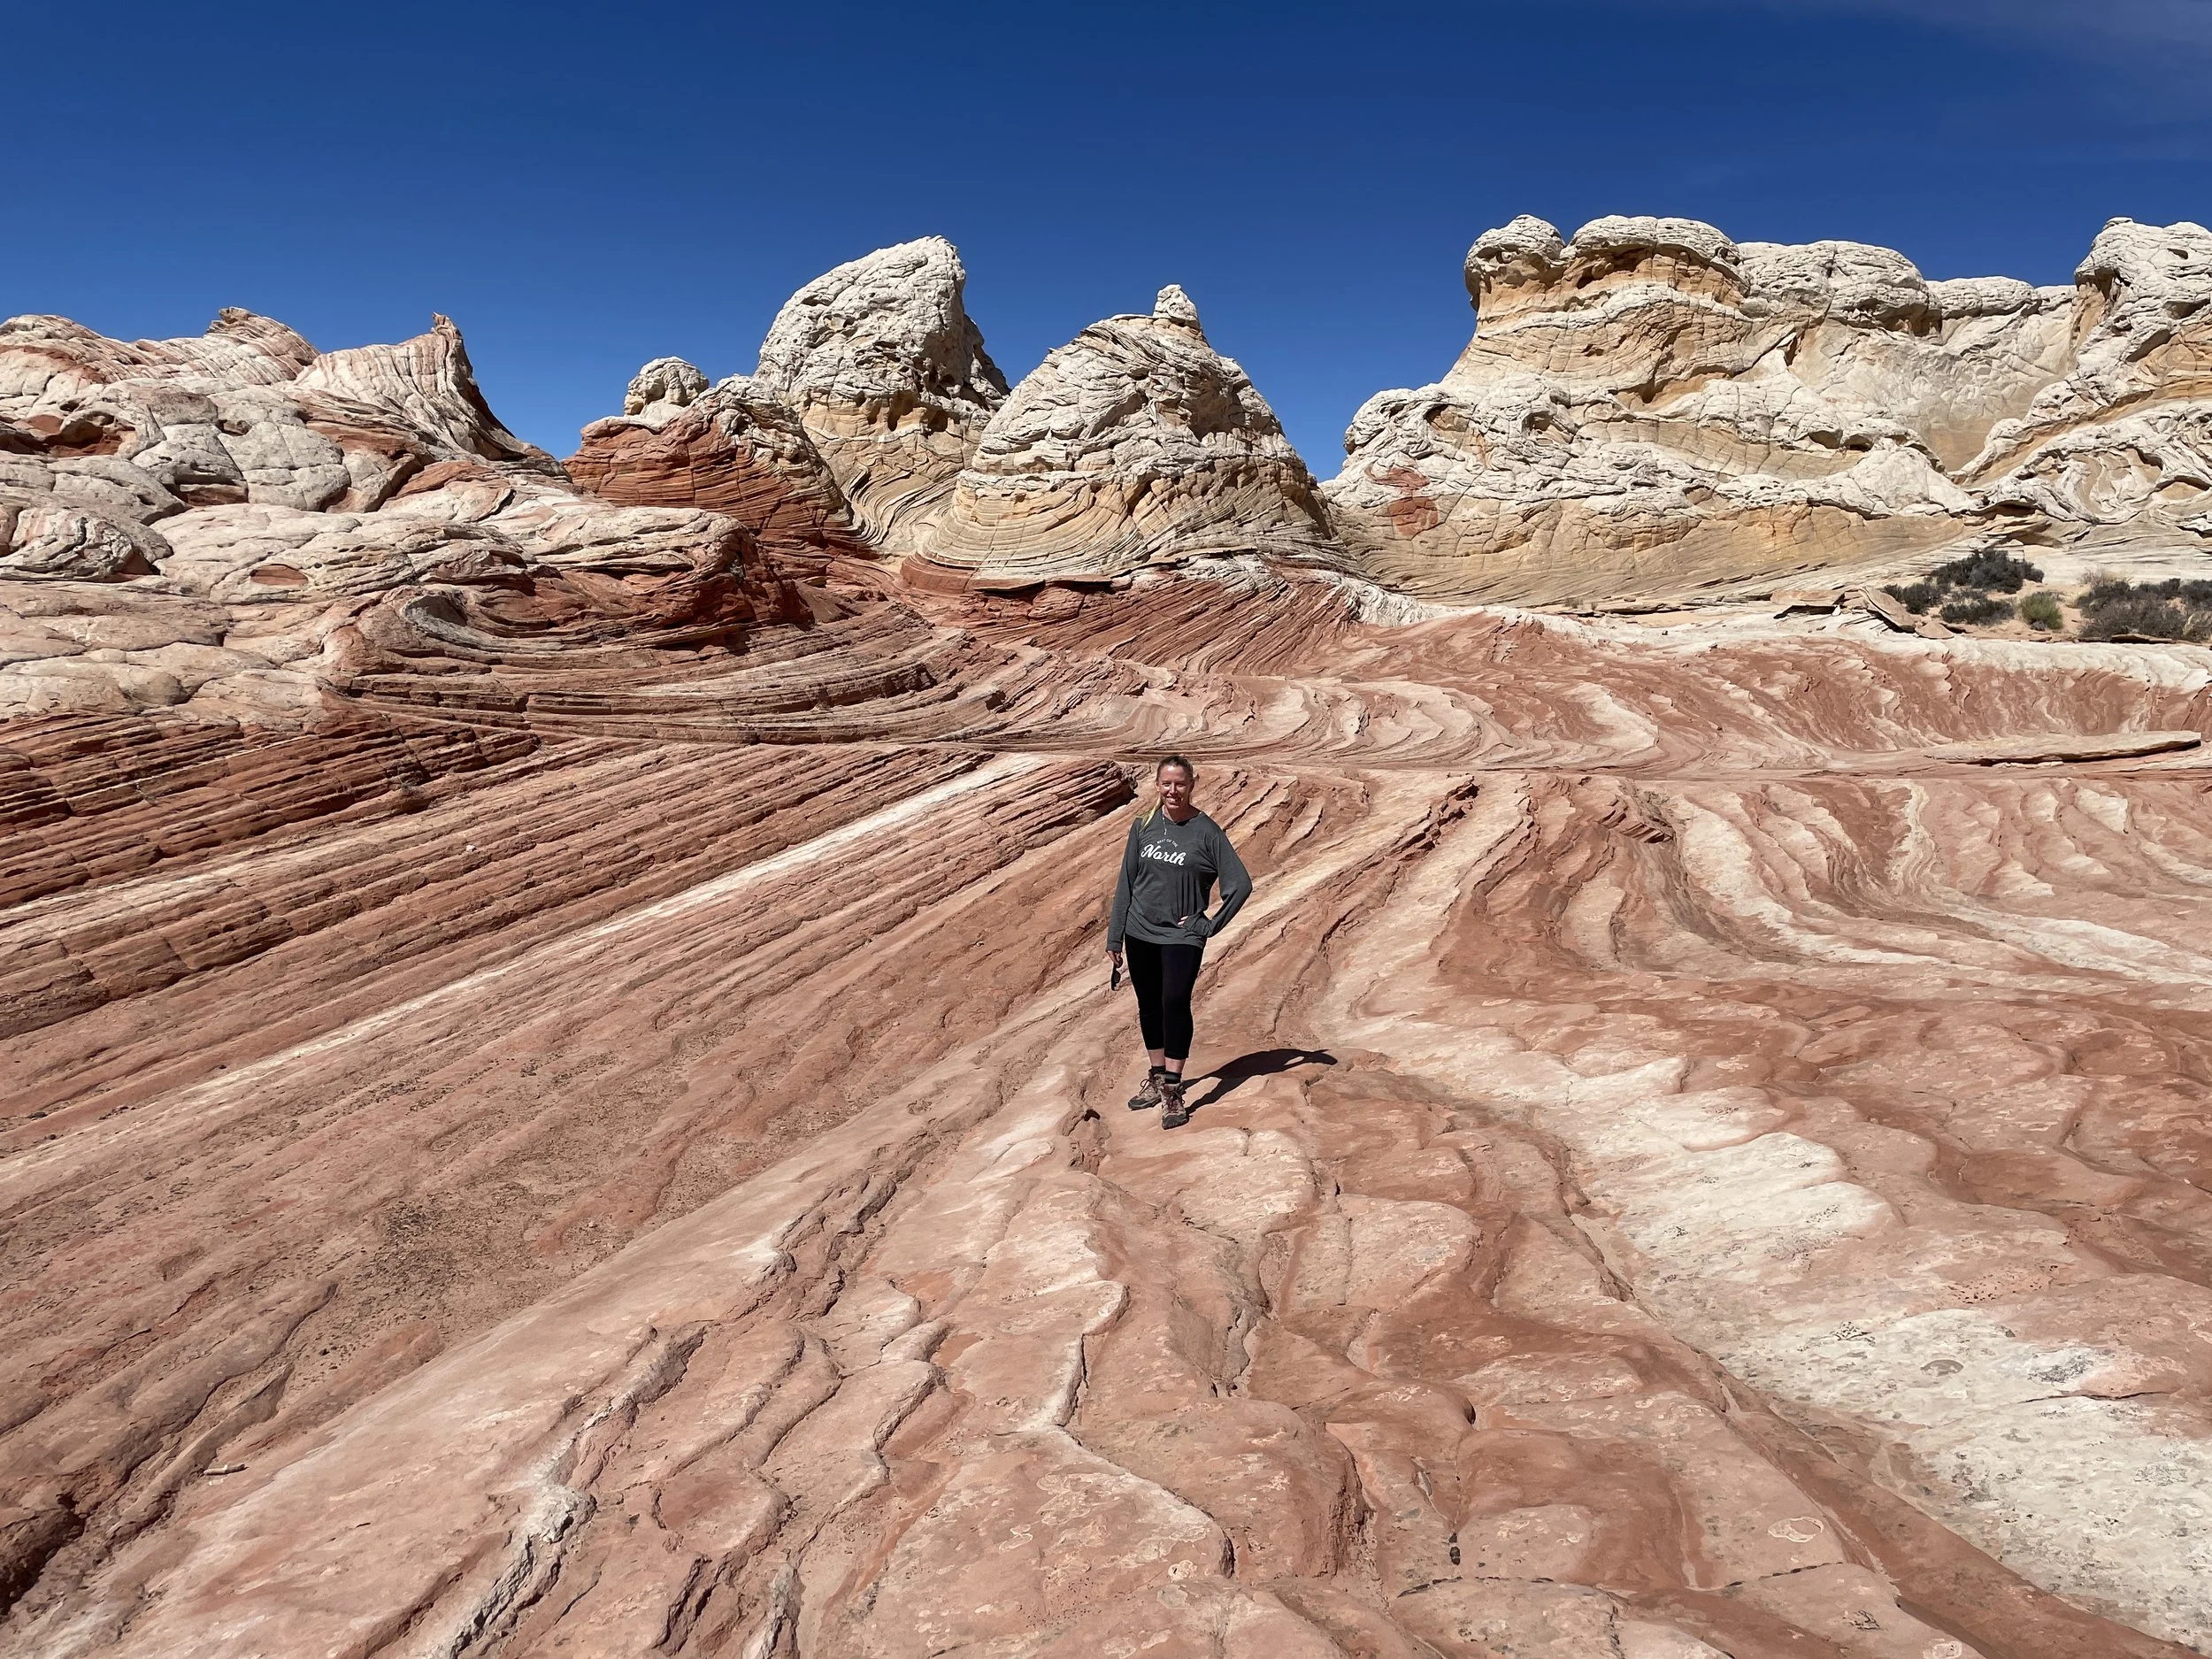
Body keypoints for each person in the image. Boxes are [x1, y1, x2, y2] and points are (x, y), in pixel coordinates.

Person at [1106, 755, 1252, 1129]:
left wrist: (1210, 924)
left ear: (1192, 785)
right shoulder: (1144, 826)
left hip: (1182, 935)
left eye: (1180, 784)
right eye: (1167, 783)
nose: (1173, 791)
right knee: (1150, 1005)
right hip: (1140, 929)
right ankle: (1157, 1076)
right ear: (1158, 785)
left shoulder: (1207, 832)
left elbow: (1240, 884)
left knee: (1174, 1001)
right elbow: (1127, 883)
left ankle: (1173, 1087)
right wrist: (1115, 935)